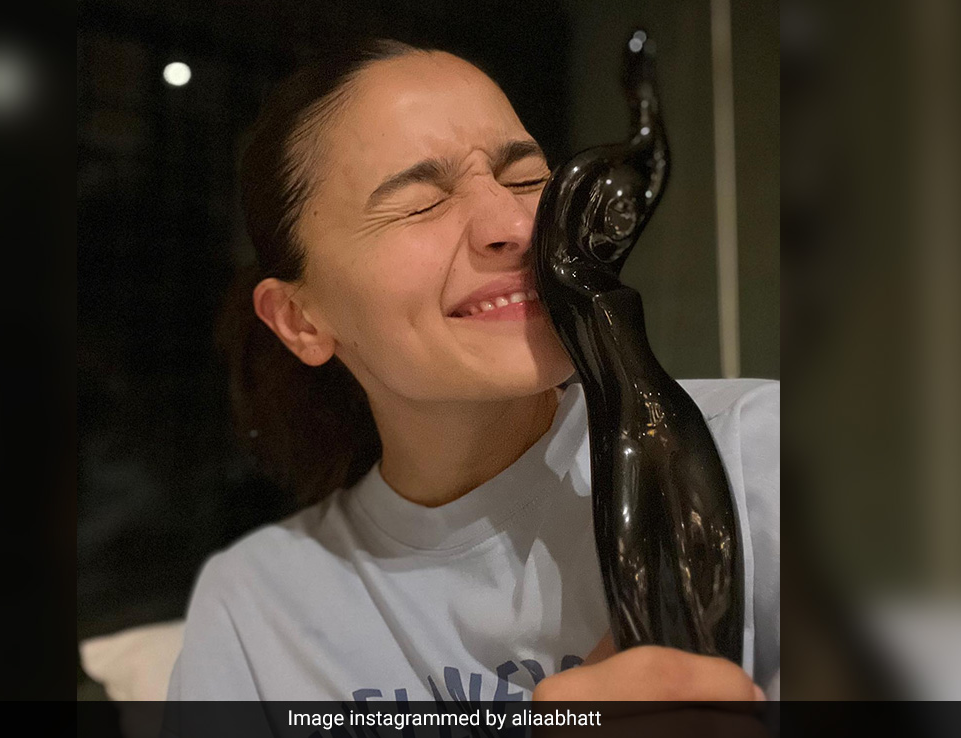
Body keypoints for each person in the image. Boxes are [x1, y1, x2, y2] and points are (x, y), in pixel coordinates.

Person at [167, 38, 779, 703]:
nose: (514, 224)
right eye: (421, 202)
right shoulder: (258, 607)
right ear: (300, 320)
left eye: (526, 179)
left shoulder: (753, 453)